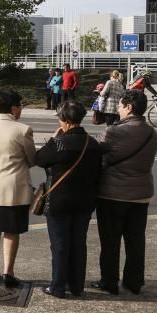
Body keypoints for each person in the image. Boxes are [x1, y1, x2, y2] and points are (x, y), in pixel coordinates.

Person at [33, 100, 103, 298]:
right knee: (79, 243)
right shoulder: (93, 143)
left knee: (60, 244)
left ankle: (57, 286)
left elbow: (38, 159)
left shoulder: (60, 143)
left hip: (59, 201)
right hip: (85, 201)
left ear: (64, 120)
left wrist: (52, 139)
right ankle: (76, 286)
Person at [94, 89, 157, 295]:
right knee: (136, 241)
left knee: (110, 242)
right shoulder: (151, 132)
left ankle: (109, 281)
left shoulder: (114, 131)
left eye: (121, 105)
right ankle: (134, 282)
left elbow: (98, 156)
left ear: (129, 107)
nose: (119, 109)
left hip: (112, 194)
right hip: (141, 194)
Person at [0, 89, 35, 288]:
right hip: (14, 187)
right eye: (20, 106)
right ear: (13, 108)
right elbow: (32, 159)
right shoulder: (23, 130)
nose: (21, 110)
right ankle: (8, 272)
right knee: (11, 231)